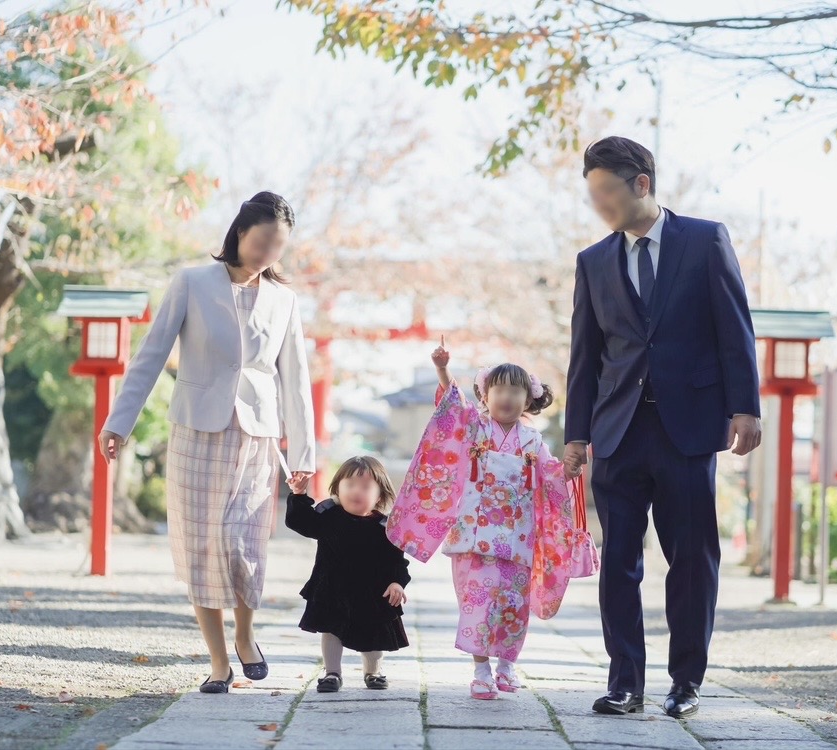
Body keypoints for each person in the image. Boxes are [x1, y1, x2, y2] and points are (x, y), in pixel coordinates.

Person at [563, 137, 762, 718]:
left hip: (689, 429)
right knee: (619, 559)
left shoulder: (704, 240)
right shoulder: (593, 261)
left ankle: (686, 682)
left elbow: (735, 327)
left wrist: (744, 407)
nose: (599, 204)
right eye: (592, 194)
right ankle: (625, 681)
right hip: (618, 430)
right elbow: (585, 355)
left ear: (641, 184)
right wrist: (577, 434)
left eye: (607, 192)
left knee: (693, 558)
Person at [98, 193, 315, 694]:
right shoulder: (192, 283)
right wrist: (119, 422)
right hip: (196, 431)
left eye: (277, 246)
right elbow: (151, 354)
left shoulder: (285, 300)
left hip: (256, 437)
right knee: (202, 545)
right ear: (240, 233)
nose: (267, 253)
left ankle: (245, 636)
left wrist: (302, 458)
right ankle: (218, 662)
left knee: (242, 544)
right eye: (262, 241)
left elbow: (296, 381)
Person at [388, 338, 575, 700]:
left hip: (518, 536)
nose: (506, 397)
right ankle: (480, 669)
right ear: (486, 396)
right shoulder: (475, 428)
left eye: (515, 391)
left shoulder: (533, 441)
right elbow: (452, 409)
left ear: (528, 400)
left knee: (512, 604)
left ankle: (506, 664)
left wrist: (567, 470)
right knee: (477, 602)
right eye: (499, 389)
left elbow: (551, 477)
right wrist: (443, 369)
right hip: (473, 535)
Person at [286, 456, 410, 693]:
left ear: (380, 496)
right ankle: (332, 672)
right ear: (337, 488)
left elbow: (397, 561)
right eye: (350, 484)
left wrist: (397, 582)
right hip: (332, 588)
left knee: (373, 636)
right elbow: (300, 521)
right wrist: (299, 496)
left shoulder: (385, 528)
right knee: (331, 630)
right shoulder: (328, 516)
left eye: (365, 487)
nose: (356, 491)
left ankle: (373, 671)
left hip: (372, 592)